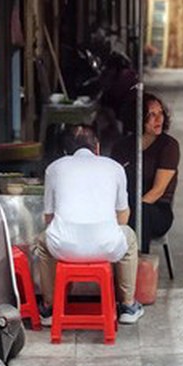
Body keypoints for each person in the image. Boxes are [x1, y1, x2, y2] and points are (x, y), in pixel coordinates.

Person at [32, 125, 143, 324]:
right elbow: (123, 216)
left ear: (65, 152)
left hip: (63, 247)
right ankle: (127, 305)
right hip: (107, 246)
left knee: (43, 242)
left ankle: (49, 308)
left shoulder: (54, 168)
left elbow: (49, 218)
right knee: (129, 237)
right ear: (97, 148)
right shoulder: (114, 167)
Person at [113, 92, 178, 255]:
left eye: (160, 113)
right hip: (125, 207)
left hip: (157, 210)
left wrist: (131, 213)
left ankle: (137, 262)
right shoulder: (121, 146)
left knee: (142, 213)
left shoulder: (168, 146)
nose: (159, 119)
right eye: (151, 115)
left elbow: (158, 191)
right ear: (138, 118)